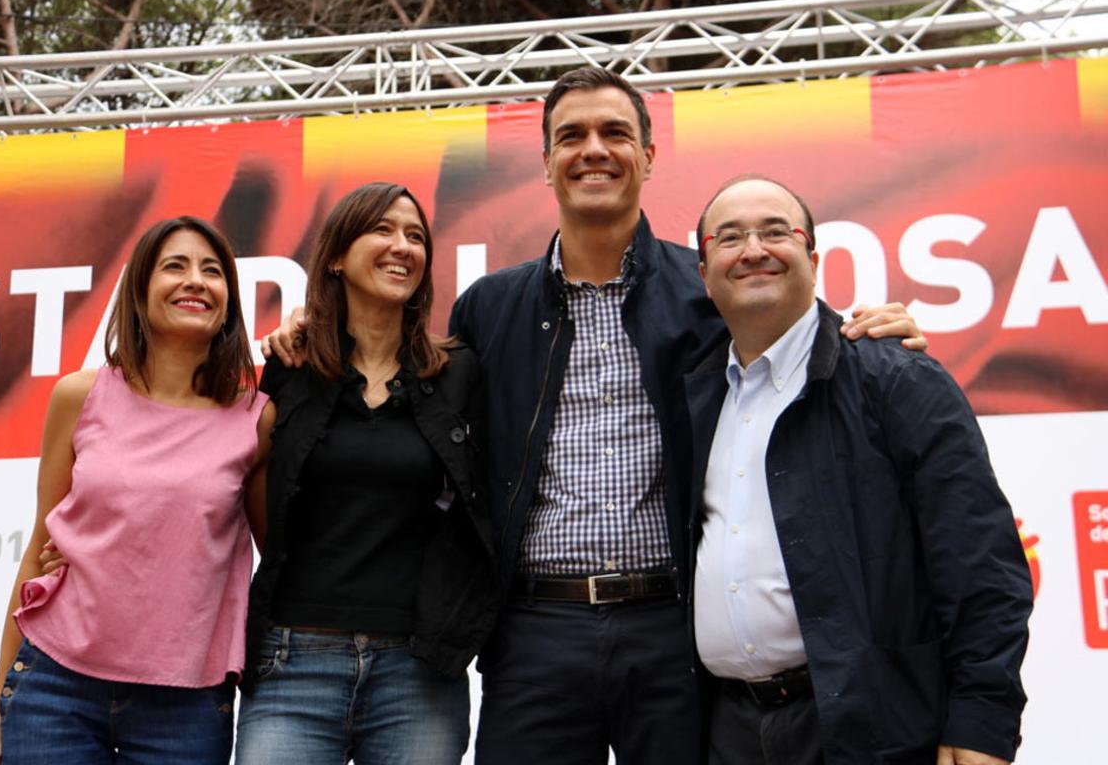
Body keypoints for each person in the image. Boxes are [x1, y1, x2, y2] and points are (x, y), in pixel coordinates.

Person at [265, 67, 923, 764]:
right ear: (546, 162)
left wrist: (866, 331)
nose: (593, 149)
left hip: (671, 629)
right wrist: (313, 324)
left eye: (615, 132)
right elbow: (404, 375)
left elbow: (787, 334)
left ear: (648, 155)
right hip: (533, 631)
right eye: (570, 136)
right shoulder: (490, 308)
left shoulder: (706, 295)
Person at [687, 175, 1032, 765]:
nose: (753, 250)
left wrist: (981, 724)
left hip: (869, 730)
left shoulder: (896, 379)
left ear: (814, 259)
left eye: (776, 232)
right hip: (727, 732)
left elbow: (981, 566)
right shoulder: (694, 396)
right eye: (730, 238)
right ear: (703, 274)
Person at [0, 216, 276, 765]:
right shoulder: (79, 395)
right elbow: (38, 549)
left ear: (229, 303)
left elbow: (275, 560)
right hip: (55, 686)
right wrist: (0, 695)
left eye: (212, 271)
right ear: (140, 291)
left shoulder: (256, 419)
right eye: (175, 266)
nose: (196, 280)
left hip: (188, 705)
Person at [235, 182, 497, 765]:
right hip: (292, 660)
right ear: (335, 255)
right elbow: (253, 495)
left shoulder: (458, 372)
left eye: (415, 235)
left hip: (418, 670)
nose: (402, 245)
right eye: (382, 229)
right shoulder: (289, 366)